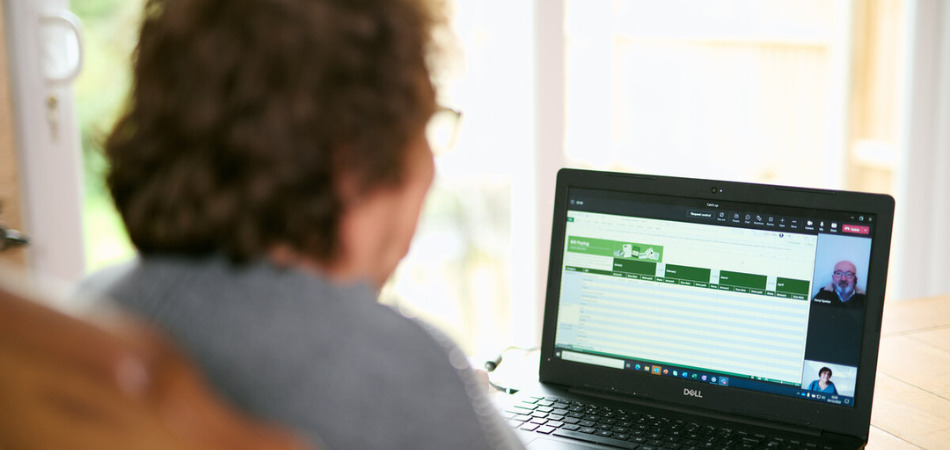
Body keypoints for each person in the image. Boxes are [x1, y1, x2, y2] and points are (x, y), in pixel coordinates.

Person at [88, 0, 523, 448]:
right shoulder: (395, 375)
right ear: (354, 162)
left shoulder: (91, 315)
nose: (431, 168)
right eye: (425, 126)